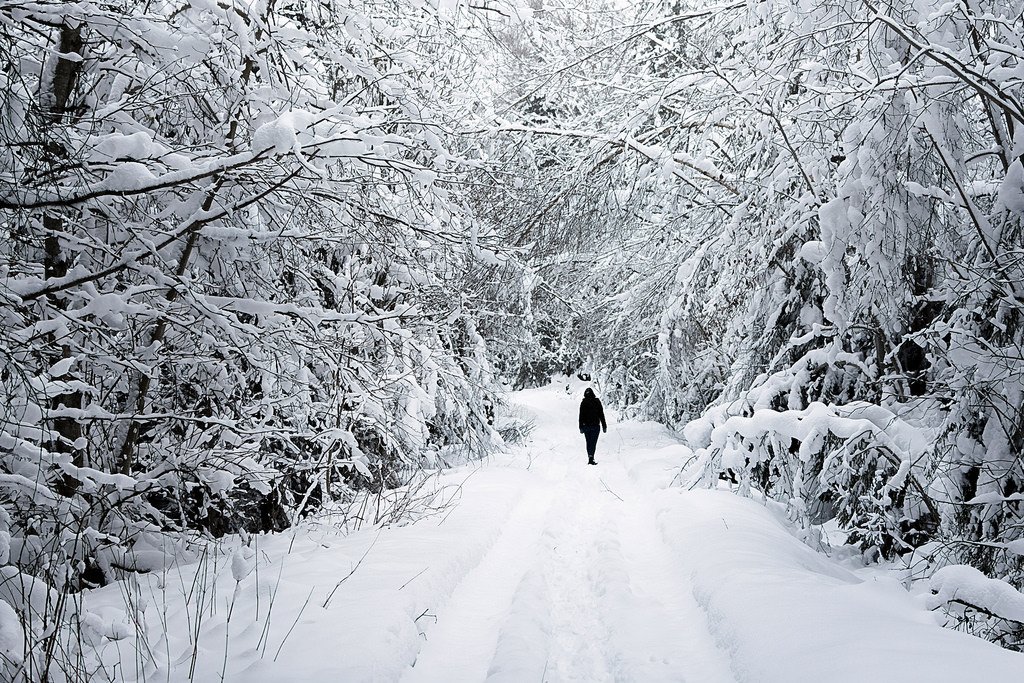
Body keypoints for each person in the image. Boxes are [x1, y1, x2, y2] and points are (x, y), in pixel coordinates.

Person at [578, 387, 607, 465]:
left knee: (588, 442)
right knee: (593, 442)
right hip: (595, 426)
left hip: (586, 426)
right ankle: (591, 457)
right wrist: (604, 425)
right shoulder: (597, 401)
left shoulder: (583, 402)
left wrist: (580, 427)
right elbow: (601, 414)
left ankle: (590, 457)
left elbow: (581, 415)